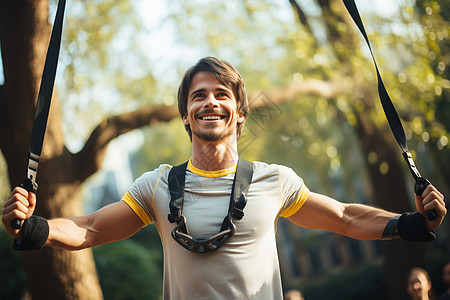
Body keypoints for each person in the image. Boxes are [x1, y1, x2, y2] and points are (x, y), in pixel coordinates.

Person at [1, 57, 447, 300]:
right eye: (198, 96)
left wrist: (412, 223)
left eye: (221, 94)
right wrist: (34, 227)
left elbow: (347, 217)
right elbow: (91, 227)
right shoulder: (156, 186)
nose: (209, 102)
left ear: (240, 112)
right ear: (185, 116)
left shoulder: (275, 180)